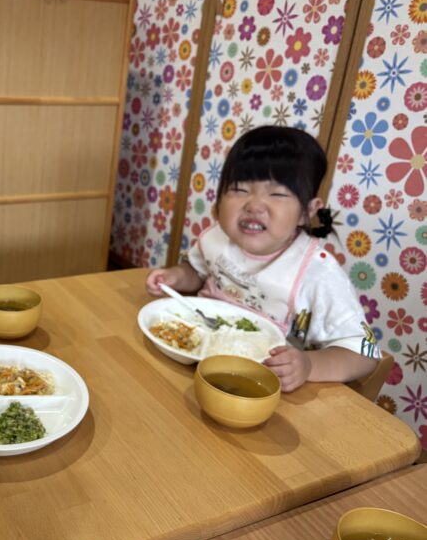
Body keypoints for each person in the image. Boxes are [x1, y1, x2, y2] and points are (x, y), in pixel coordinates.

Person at [145, 126, 380, 392]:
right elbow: (197, 270)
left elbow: (364, 353)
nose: (254, 205)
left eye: (277, 193)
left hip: (261, 389)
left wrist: (309, 365)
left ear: (308, 212)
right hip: (191, 363)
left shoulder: (317, 274)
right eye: (239, 189)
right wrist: (175, 276)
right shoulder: (217, 238)